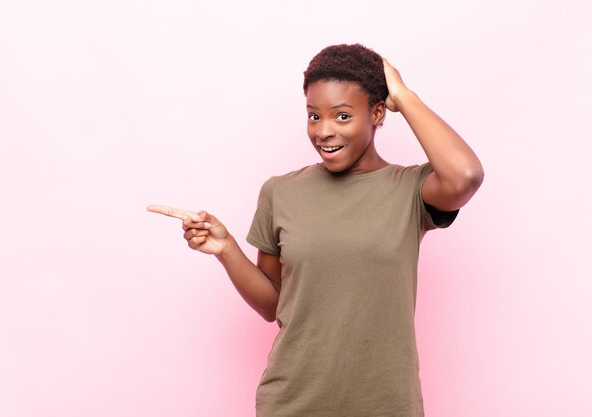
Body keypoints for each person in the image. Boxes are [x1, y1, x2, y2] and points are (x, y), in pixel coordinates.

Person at [148, 43, 484, 417]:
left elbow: (465, 176)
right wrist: (226, 249)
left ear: (376, 113)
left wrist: (404, 97)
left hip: (385, 405)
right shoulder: (281, 191)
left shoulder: (409, 189)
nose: (323, 132)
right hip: (293, 402)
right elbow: (274, 303)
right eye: (313, 116)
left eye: (342, 116)